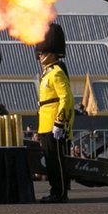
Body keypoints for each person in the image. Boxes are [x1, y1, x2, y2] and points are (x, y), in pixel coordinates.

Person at [35, 23, 73, 203]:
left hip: (53, 125)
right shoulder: (47, 74)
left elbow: (66, 99)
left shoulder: (56, 73)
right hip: (45, 125)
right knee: (50, 162)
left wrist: (59, 122)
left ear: (51, 52)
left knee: (57, 161)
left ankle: (60, 192)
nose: (40, 55)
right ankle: (55, 190)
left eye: (43, 52)